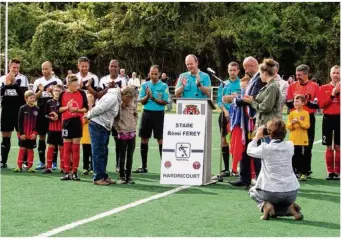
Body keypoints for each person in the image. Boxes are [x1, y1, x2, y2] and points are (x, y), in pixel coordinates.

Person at [248, 119, 303, 221]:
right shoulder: (290, 145)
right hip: (292, 192)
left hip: (271, 192)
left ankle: (266, 206)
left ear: (269, 133)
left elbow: (250, 151)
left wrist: (256, 137)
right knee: (281, 200)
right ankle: (289, 208)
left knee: (252, 191)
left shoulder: (265, 148)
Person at [228, 56, 266, 188]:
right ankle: (244, 178)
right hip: (246, 121)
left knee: (255, 150)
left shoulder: (260, 79)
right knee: (246, 149)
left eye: (245, 68)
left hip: (254, 120)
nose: (245, 71)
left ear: (251, 66)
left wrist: (237, 100)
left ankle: (259, 180)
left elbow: (251, 98)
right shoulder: (253, 79)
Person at [286, 64, 320, 178]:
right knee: (296, 146)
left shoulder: (314, 86)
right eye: (296, 75)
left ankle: (306, 171)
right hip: (295, 117)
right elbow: (288, 102)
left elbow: (317, 104)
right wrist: (296, 105)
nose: (297, 77)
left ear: (306, 74)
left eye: (299, 75)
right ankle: (296, 169)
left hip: (308, 117)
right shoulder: (292, 86)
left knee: (308, 146)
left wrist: (306, 103)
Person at [134, 65, 168, 173]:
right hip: (147, 114)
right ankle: (144, 166)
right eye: (152, 73)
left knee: (160, 139)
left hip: (159, 114)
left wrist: (153, 97)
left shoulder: (164, 86)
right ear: (149, 74)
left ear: (159, 74)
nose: (153, 76)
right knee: (144, 138)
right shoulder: (145, 85)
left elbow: (165, 101)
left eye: (156, 74)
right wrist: (147, 97)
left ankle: (165, 167)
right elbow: (141, 101)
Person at [85, 88, 121, 186]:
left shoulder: (115, 97)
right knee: (98, 151)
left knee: (103, 152)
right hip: (97, 125)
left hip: (103, 126)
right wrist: (88, 115)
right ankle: (98, 178)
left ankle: (103, 175)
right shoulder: (112, 98)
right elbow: (100, 108)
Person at [33, 61, 63, 170]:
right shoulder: (38, 81)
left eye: (46, 68)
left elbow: (60, 97)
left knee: (53, 137)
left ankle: (53, 162)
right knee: (41, 136)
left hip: (53, 113)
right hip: (41, 112)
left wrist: (51, 92)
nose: (44, 71)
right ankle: (42, 162)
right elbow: (33, 98)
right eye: (43, 69)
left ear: (51, 69)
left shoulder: (57, 81)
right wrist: (40, 91)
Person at [59, 75, 88, 181]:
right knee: (66, 149)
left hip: (77, 122)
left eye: (78, 85)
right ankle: (67, 172)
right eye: (75, 85)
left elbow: (85, 108)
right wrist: (68, 108)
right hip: (66, 122)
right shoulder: (62, 94)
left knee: (75, 149)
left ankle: (75, 172)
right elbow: (59, 109)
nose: (77, 87)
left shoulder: (81, 93)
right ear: (69, 85)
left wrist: (76, 110)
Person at [0, 58, 29, 168]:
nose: (16, 70)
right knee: (6, 136)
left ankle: (25, 161)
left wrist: (14, 84)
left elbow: (24, 96)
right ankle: (3, 161)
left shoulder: (23, 78)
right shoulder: (2, 78)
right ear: (9, 67)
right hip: (6, 112)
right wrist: (6, 85)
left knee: (22, 135)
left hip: (20, 112)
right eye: (14, 67)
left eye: (17, 68)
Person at [96, 60, 121, 171]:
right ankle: (102, 167)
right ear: (108, 67)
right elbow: (98, 96)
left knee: (118, 141)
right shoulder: (103, 80)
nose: (113, 68)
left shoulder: (123, 80)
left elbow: (125, 97)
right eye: (112, 66)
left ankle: (118, 164)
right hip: (104, 116)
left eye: (115, 66)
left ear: (118, 68)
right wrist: (108, 88)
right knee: (103, 142)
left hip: (117, 115)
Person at [217, 61, 241, 176]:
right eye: (230, 70)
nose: (232, 72)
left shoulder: (242, 84)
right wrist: (225, 111)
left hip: (237, 116)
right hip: (224, 115)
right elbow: (218, 101)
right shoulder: (223, 84)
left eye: (234, 70)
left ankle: (235, 168)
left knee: (236, 142)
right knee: (224, 141)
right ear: (228, 70)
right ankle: (226, 169)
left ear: (238, 71)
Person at [243, 59, 281, 128]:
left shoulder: (272, 86)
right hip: (264, 124)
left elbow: (265, 108)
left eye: (260, 74)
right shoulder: (268, 86)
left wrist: (252, 102)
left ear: (265, 73)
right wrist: (252, 99)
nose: (259, 76)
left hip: (270, 126)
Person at [319, 65, 340, 180]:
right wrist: (332, 94)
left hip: (339, 118)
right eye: (334, 73)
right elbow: (322, 104)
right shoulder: (323, 88)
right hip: (327, 119)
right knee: (329, 146)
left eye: (338, 73)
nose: (336, 75)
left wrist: (338, 93)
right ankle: (330, 172)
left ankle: (337, 172)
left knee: (338, 146)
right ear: (330, 74)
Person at [114, 86, 138, 184]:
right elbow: (114, 119)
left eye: (131, 98)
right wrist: (118, 128)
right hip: (122, 133)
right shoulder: (118, 106)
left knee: (130, 155)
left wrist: (134, 123)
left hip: (132, 132)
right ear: (123, 96)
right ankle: (122, 176)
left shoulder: (133, 105)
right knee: (122, 154)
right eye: (128, 97)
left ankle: (129, 176)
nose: (129, 100)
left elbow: (136, 115)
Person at [228, 75, 250, 176]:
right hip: (238, 125)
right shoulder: (237, 99)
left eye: (244, 87)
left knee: (249, 148)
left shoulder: (250, 97)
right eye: (241, 87)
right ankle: (234, 169)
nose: (242, 89)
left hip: (249, 125)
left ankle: (251, 171)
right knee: (236, 147)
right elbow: (227, 101)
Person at [14, 90, 39, 173]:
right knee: (22, 149)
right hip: (23, 135)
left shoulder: (37, 109)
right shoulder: (22, 108)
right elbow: (19, 122)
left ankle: (30, 167)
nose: (33, 99)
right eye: (31, 98)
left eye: (34, 98)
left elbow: (39, 123)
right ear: (26, 99)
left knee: (30, 150)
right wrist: (21, 133)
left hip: (32, 135)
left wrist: (35, 133)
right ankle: (19, 166)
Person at [286, 95, 310, 180]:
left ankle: (303, 173)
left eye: (297, 101)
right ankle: (294, 172)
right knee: (294, 157)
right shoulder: (292, 113)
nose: (295, 103)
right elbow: (288, 126)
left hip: (302, 139)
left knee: (302, 157)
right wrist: (292, 123)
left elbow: (306, 126)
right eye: (294, 101)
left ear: (303, 103)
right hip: (293, 139)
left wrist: (299, 121)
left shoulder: (306, 113)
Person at [42, 85, 64, 174]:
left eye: (59, 91)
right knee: (51, 147)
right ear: (52, 92)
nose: (57, 92)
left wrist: (59, 117)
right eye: (55, 90)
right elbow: (45, 114)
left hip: (61, 128)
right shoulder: (49, 102)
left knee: (62, 148)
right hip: (52, 128)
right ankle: (49, 167)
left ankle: (64, 167)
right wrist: (51, 118)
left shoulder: (64, 102)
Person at [81, 93, 95, 175]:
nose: (87, 104)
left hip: (93, 136)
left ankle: (93, 167)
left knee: (93, 153)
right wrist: (86, 118)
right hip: (85, 136)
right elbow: (83, 122)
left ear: (92, 103)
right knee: (85, 153)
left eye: (89, 102)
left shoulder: (95, 111)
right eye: (86, 102)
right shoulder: (83, 111)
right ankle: (85, 167)